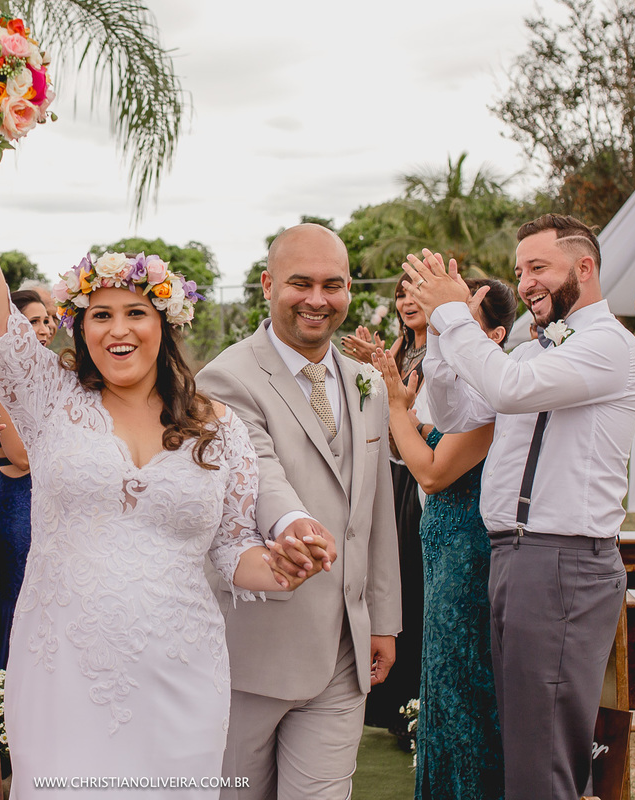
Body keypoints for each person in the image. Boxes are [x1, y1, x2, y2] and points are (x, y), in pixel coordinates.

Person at [0, 158, 332, 797]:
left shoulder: (219, 428)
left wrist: (283, 563)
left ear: (166, 325)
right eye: (99, 315)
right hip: (64, 660)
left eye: (136, 313)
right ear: (81, 328)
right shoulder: (48, 399)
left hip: (181, 664)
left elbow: (232, 551)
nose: (118, 329)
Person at [406, 214, 635, 800]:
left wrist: (452, 312)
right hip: (513, 556)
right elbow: (459, 414)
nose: (527, 281)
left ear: (583, 268)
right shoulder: (533, 349)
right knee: (522, 745)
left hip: (562, 561)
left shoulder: (606, 345)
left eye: (539, 267)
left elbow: (510, 389)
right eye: (521, 271)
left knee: (545, 762)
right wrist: (440, 333)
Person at [197, 222, 401, 799]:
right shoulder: (226, 377)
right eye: (300, 283)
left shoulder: (367, 382)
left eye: (332, 285)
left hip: (344, 651)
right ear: (267, 285)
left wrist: (382, 619)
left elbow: (376, 504)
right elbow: (258, 471)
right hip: (255, 650)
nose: (317, 300)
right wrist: (293, 525)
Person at [373, 277, 517, 800]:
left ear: (494, 337)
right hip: (441, 543)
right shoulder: (458, 393)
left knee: (464, 682)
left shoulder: (491, 398)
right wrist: (399, 405)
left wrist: (396, 408)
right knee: (442, 677)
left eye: (462, 326)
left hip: (468, 550)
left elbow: (432, 473)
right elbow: (412, 444)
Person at [343, 271, 429, 733]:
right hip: (391, 476)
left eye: (415, 292)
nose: (406, 300)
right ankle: (386, 698)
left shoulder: (439, 352)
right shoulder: (396, 350)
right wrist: (371, 371)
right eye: (400, 294)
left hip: (419, 476)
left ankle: (409, 697)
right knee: (386, 573)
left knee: (410, 579)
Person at [0, 289, 52, 668]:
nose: (44, 328)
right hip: (17, 510)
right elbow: (21, 456)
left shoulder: (49, 380)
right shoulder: (1, 382)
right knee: (19, 601)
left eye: (47, 320)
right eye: (33, 321)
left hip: (44, 510)